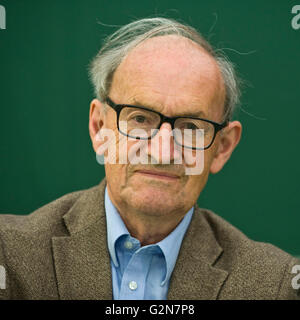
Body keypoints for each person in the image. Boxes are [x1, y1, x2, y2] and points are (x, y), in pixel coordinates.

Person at [0, 17, 299, 300]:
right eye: (140, 118)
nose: (162, 151)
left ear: (222, 147)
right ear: (100, 128)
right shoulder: (9, 256)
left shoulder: (275, 284)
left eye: (191, 127)